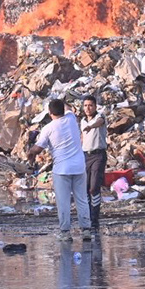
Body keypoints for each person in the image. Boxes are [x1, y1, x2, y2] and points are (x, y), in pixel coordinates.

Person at [28, 98, 92, 241]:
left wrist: (30, 154)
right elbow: (69, 107)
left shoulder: (48, 128)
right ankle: (86, 230)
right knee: (81, 199)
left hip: (62, 170)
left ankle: (65, 232)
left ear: (50, 113)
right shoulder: (71, 118)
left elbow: (37, 149)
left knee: (63, 202)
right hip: (79, 167)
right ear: (63, 110)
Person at [80, 95, 107, 234]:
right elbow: (82, 139)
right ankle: (87, 218)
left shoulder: (99, 117)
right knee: (84, 189)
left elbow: (100, 122)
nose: (88, 108)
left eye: (90, 105)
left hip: (98, 155)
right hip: (85, 156)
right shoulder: (83, 121)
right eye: (85, 105)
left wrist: (91, 126)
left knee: (94, 188)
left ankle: (95, 220)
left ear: (95, 106)